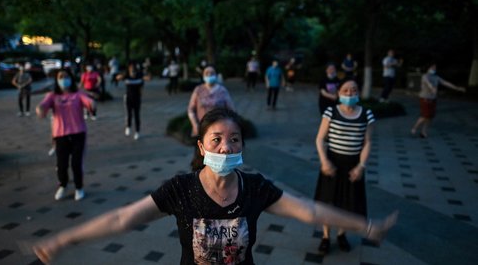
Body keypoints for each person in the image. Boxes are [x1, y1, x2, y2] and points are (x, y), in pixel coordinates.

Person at [32, 107, 397, 264]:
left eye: (235, 139)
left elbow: (310, 210)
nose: (227, 147)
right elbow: (121, 220)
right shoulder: (180, 189)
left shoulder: (255, 188)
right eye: (217, 139)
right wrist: (64, 239)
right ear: (202, 146)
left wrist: (366, 225)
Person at [314, 79, 375, 255]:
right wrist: (324, 161)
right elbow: (319, 139)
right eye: (346, 90)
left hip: (353, 165)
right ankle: (326, 236)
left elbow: (368, 142)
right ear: (339, 92)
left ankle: (342, 234)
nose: (350, 94)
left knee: (348, 203)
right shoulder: (330, 112)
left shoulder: (367, 114)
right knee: (328, 202)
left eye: (354, 90)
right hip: (332, 163)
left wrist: (361, 166)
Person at [36, 69, 95, 201]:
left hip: (78, 133)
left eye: (66, 76)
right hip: (60, 135)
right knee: (61, 164)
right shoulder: (52, 96)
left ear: (71, 78)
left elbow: (88, 101)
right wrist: (40, 109)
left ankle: (79, 187)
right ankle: (63, 185)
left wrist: (92, 103)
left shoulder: (78, 94)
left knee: (76, 163)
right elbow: (43, 105)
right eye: (61, 77)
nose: (64, 79)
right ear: (57, 80)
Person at [411, 63, 466, 138]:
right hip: (425, 98)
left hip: (433, 99)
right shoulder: (425, 76)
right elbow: (428, 83)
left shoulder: (436, 77)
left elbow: (445, 83)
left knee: (430, 116)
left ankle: (424, 131)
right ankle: (415, 127)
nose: (434, 69)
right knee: (425, 115)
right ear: (428, 68)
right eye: (432, 68)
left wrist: (457, 88)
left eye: (435, 68)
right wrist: (432, 88)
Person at [188, 65, 235, 137]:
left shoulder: (222, 90)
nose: (209, 75)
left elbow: (231, 110)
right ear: (203, 75)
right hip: (201, 129)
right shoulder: (198, 90)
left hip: (219, 130)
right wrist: (195, 124)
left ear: (216, 75)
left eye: (212, 73)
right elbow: (191, 109)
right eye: (207, 73)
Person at [116, 62, 147, 140]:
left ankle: (137, 132)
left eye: (133, 68)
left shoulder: (139, 76)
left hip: (137, 98)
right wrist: (122, 76)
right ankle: (128, 126)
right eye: (130, 67)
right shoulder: (126, 76)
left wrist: (146, 76)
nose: (132, 69)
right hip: (128, 98)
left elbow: (145, 82)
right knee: (129, 114)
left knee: (137, 115)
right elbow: (117, 78)